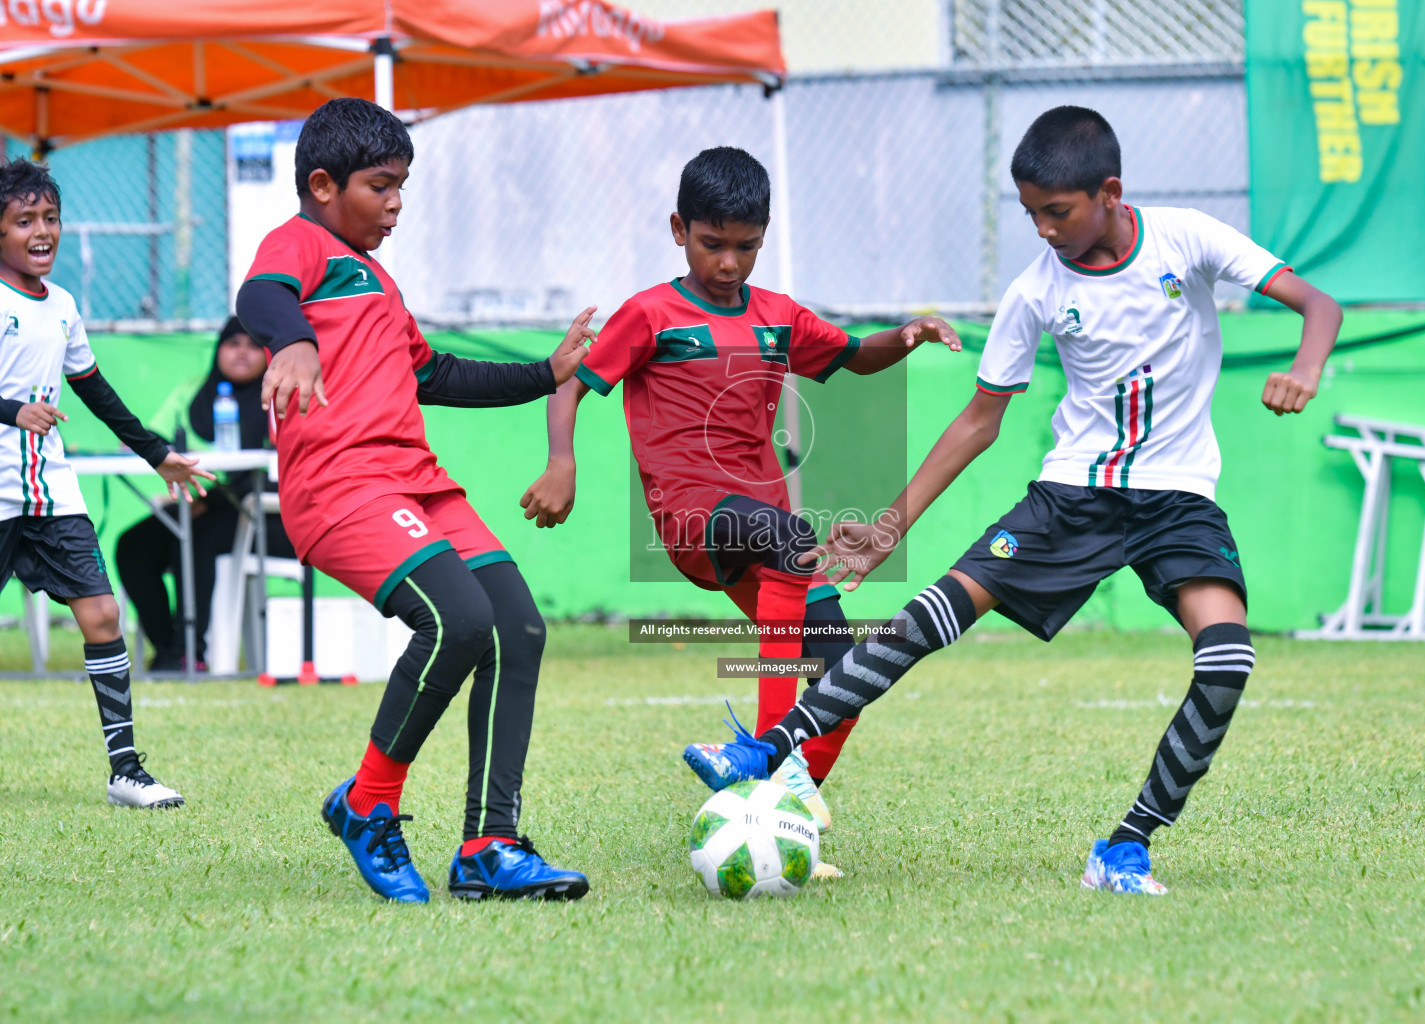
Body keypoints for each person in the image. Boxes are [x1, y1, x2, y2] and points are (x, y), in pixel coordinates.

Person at [682, 106, 1343, 896]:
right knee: (931, 618)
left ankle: (1127, 846)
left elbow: (1318, 304)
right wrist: (891, 526)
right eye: (1029, 213)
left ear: (1109, 191)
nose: (1043, 230)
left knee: (1228, 658)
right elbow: (978, 421)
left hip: (1178, 501)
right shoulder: (1035, 293)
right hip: (1073, 496)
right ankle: (767, 752)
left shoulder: (1187, 238)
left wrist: (1306, 366)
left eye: (1056, 212)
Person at [520, 147, 961, 861]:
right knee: (790, 538)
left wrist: (905, 338)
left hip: (768, 533)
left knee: (847, 673)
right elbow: (571, 382)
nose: (728, 262)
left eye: (746, 247)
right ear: (678, 229)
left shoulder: (778, 316)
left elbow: (854, 354)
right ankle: (760, 755)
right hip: (696, 520)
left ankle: (784, 804)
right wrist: (561, 462)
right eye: (711, 244)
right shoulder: (651, 314)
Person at [235, 98, 594, 904]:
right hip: (342, 485)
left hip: (418, 484)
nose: (396, 203)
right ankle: (369, 803)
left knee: (515, 630)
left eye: (403, 186)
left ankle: (489, 847)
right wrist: (291, 340)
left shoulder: (379, 282)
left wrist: (547, 372)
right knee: (459, 621)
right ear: (323, 184)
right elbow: (261, 296)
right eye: (381, 186)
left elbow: (435, 375)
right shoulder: (301, 244)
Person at [0, 158, 214, 808]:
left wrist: (159, 455)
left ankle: (126, 771)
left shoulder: (62, 306)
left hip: (52, 492)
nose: (42, 232)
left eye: (51, 219)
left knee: (102, 614)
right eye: (24, 221)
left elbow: (94, 390)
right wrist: (12, 412)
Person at [115, 317, 295, 671]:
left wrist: (207, 501)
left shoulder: (278, 396)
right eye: (232, 343)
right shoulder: (194, 391)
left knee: (195, 538)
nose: (242, 353)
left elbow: (269, 469)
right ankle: (171, 650)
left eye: (251, 345)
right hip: (204, 505)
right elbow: (159, 435)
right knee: (134, 546)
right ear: (219, 350)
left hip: (266, 516)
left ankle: (190, 649)